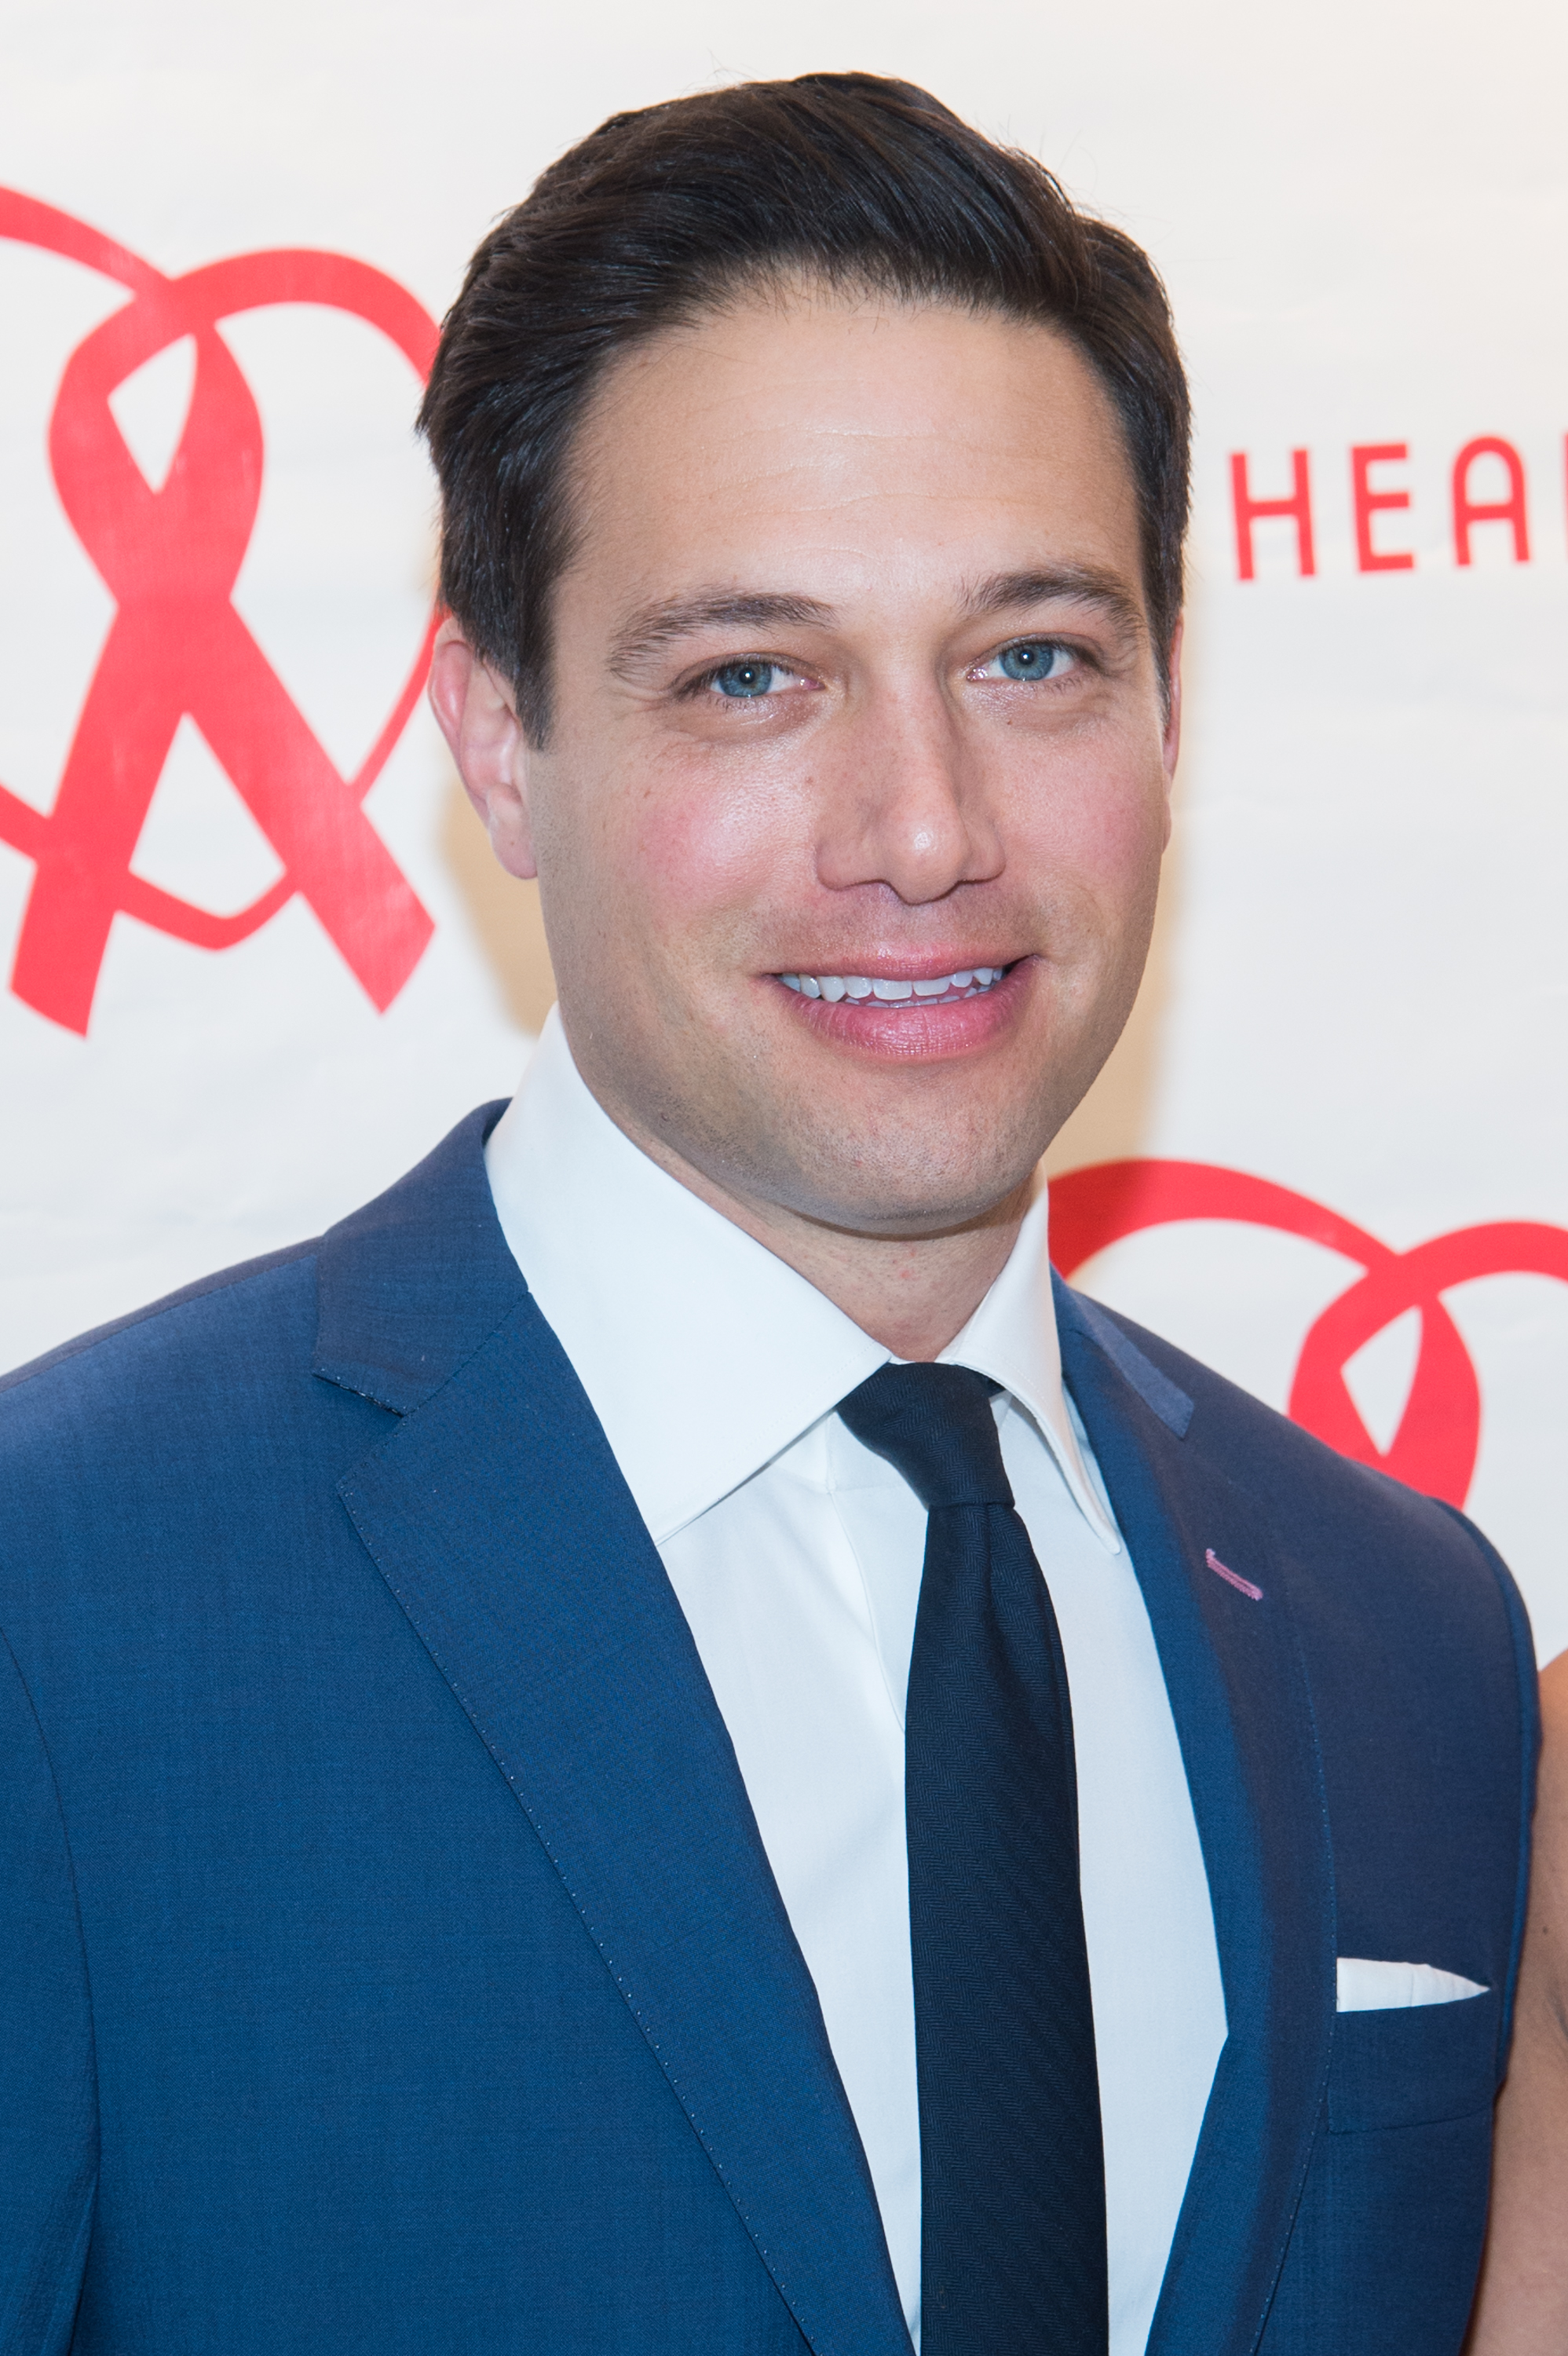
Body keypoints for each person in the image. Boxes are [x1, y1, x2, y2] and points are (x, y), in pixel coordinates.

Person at [0, 73, 1541, 2356]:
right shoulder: (66, 1608)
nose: (922, 829)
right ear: (499, 737)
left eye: (1033, 657)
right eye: (751, 678)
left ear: (1171, 706)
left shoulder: (1409, 1635)